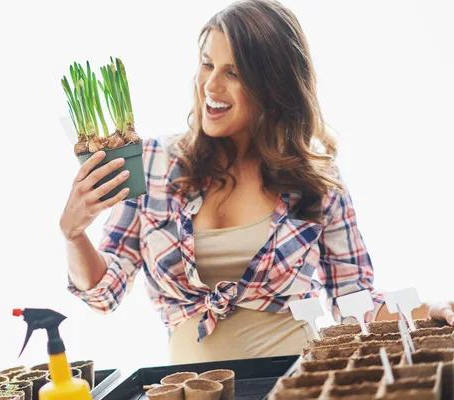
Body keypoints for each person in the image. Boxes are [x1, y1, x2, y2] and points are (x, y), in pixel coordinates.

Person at [60, 0, 454, 364]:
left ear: (274, 86)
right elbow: (103, 294)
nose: (211, 86)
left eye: (234, 73)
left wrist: (427, 309)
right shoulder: (154, 163)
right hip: (195, 388)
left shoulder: (317, 182)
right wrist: (75, 234)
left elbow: (354, 300)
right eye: (207, 64)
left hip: (297, 379)